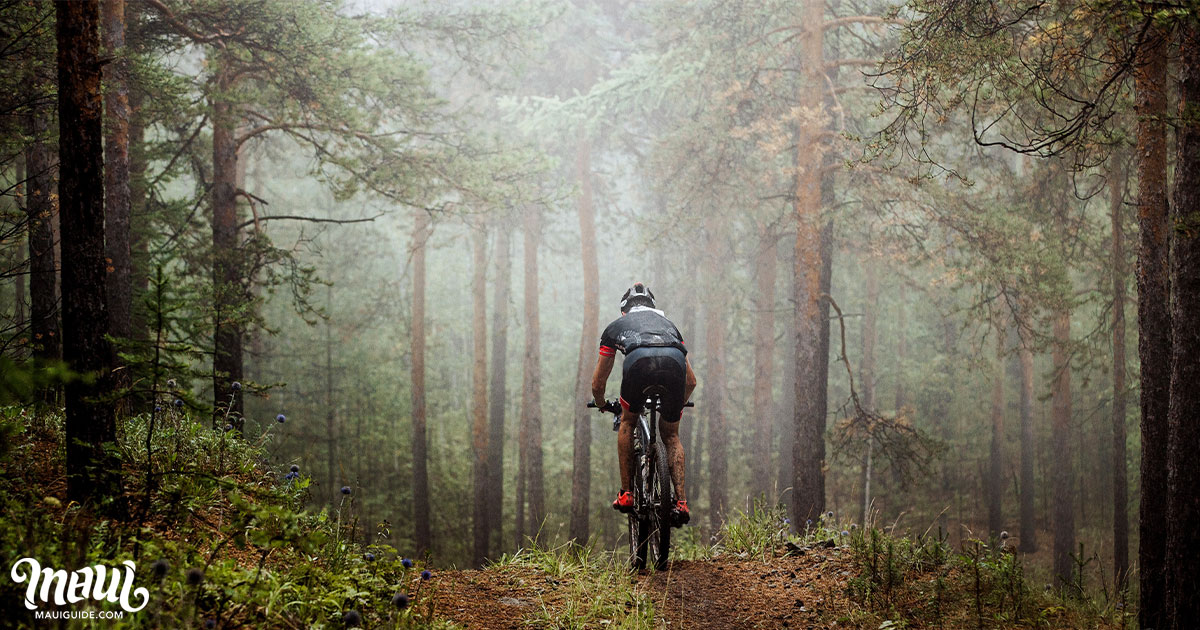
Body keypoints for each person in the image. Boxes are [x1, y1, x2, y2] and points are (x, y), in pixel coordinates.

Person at [591, 282, 697, 525]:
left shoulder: (616, 327)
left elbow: (598, 383)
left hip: (638, 363)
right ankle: (681, 502)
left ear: (624, 310)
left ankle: (627, 494)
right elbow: (691, 381)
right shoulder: (670, 327)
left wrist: (601, 403)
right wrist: (675, 406)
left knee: (628, 421)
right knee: (671, 435)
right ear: (652, 307)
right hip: (674, 364)